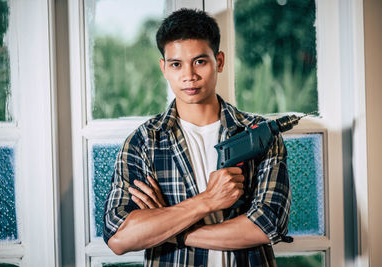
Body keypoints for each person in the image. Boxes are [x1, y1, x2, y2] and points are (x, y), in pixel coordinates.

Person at [103, 8, 291, 267]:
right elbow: (119, 237)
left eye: (200, 61)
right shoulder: (144, 142)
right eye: (176, 64)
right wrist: (207, 201)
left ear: (220, 61)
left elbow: (266, 225)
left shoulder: (259, 134)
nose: (189, 75)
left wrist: (169, 229)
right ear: (164, 68)